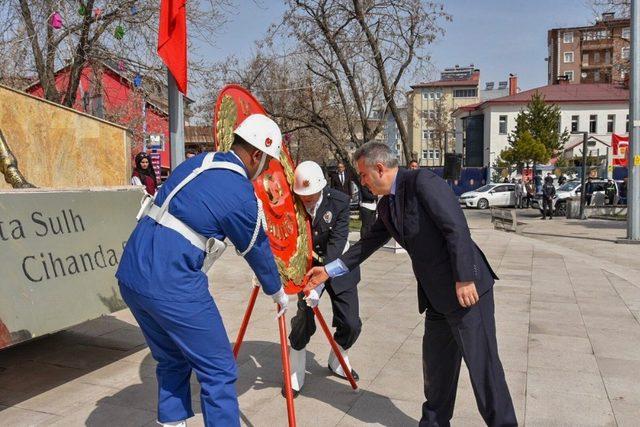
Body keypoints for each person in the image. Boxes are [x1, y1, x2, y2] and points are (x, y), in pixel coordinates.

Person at [304, 142, 517, 427]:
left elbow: (455, 226)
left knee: (484, 371)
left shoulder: (422, 183)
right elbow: (366, 244)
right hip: (437, 300)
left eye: (363, 175)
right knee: (437, 371)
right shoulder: (387, 205)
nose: (362, 182)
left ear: (379, 168)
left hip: (467, 293)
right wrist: (327, 271)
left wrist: (464, 277)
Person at [115, 114, 290, 427]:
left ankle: (171, 422)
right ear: (256, 155)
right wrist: (277, 290)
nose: (267, 169)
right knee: (219, 371)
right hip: (171, 282)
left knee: (171, 358)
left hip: (132, 272)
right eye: (268, 162)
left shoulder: (201, 162)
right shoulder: (239, 191)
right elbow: (257, 249)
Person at [286, 161, 362, 397]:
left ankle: (338, 356)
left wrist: (317, 287)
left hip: (338, 265)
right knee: (303, 322)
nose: (307, 201)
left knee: (351, 323)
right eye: (303, 196)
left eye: (311, 196)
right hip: (306, 268)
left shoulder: (338, 201)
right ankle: (295, 371)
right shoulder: (291, 202)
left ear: (322, 187)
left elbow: (337, 244)